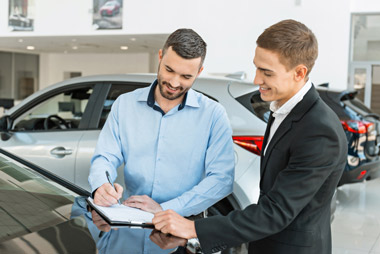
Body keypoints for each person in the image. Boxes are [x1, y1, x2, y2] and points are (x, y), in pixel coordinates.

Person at [152, 19, 348, 254]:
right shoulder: (282, 110)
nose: (256, 80)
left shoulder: (319, 130)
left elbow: (276, 211)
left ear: (299, 73)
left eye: (266, 72)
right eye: (256, 68)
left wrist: (193, 228)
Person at [88, 28, 235, 218]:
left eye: (186, 76)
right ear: (160, 56)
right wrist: (101, 185)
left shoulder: (214, 114)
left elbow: (222, 179)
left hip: (183, 220)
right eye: (169, 70)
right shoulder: (124, 104)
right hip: (132, 217)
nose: (174, 82)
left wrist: (166, 209)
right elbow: (105, 157)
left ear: (199, 72)